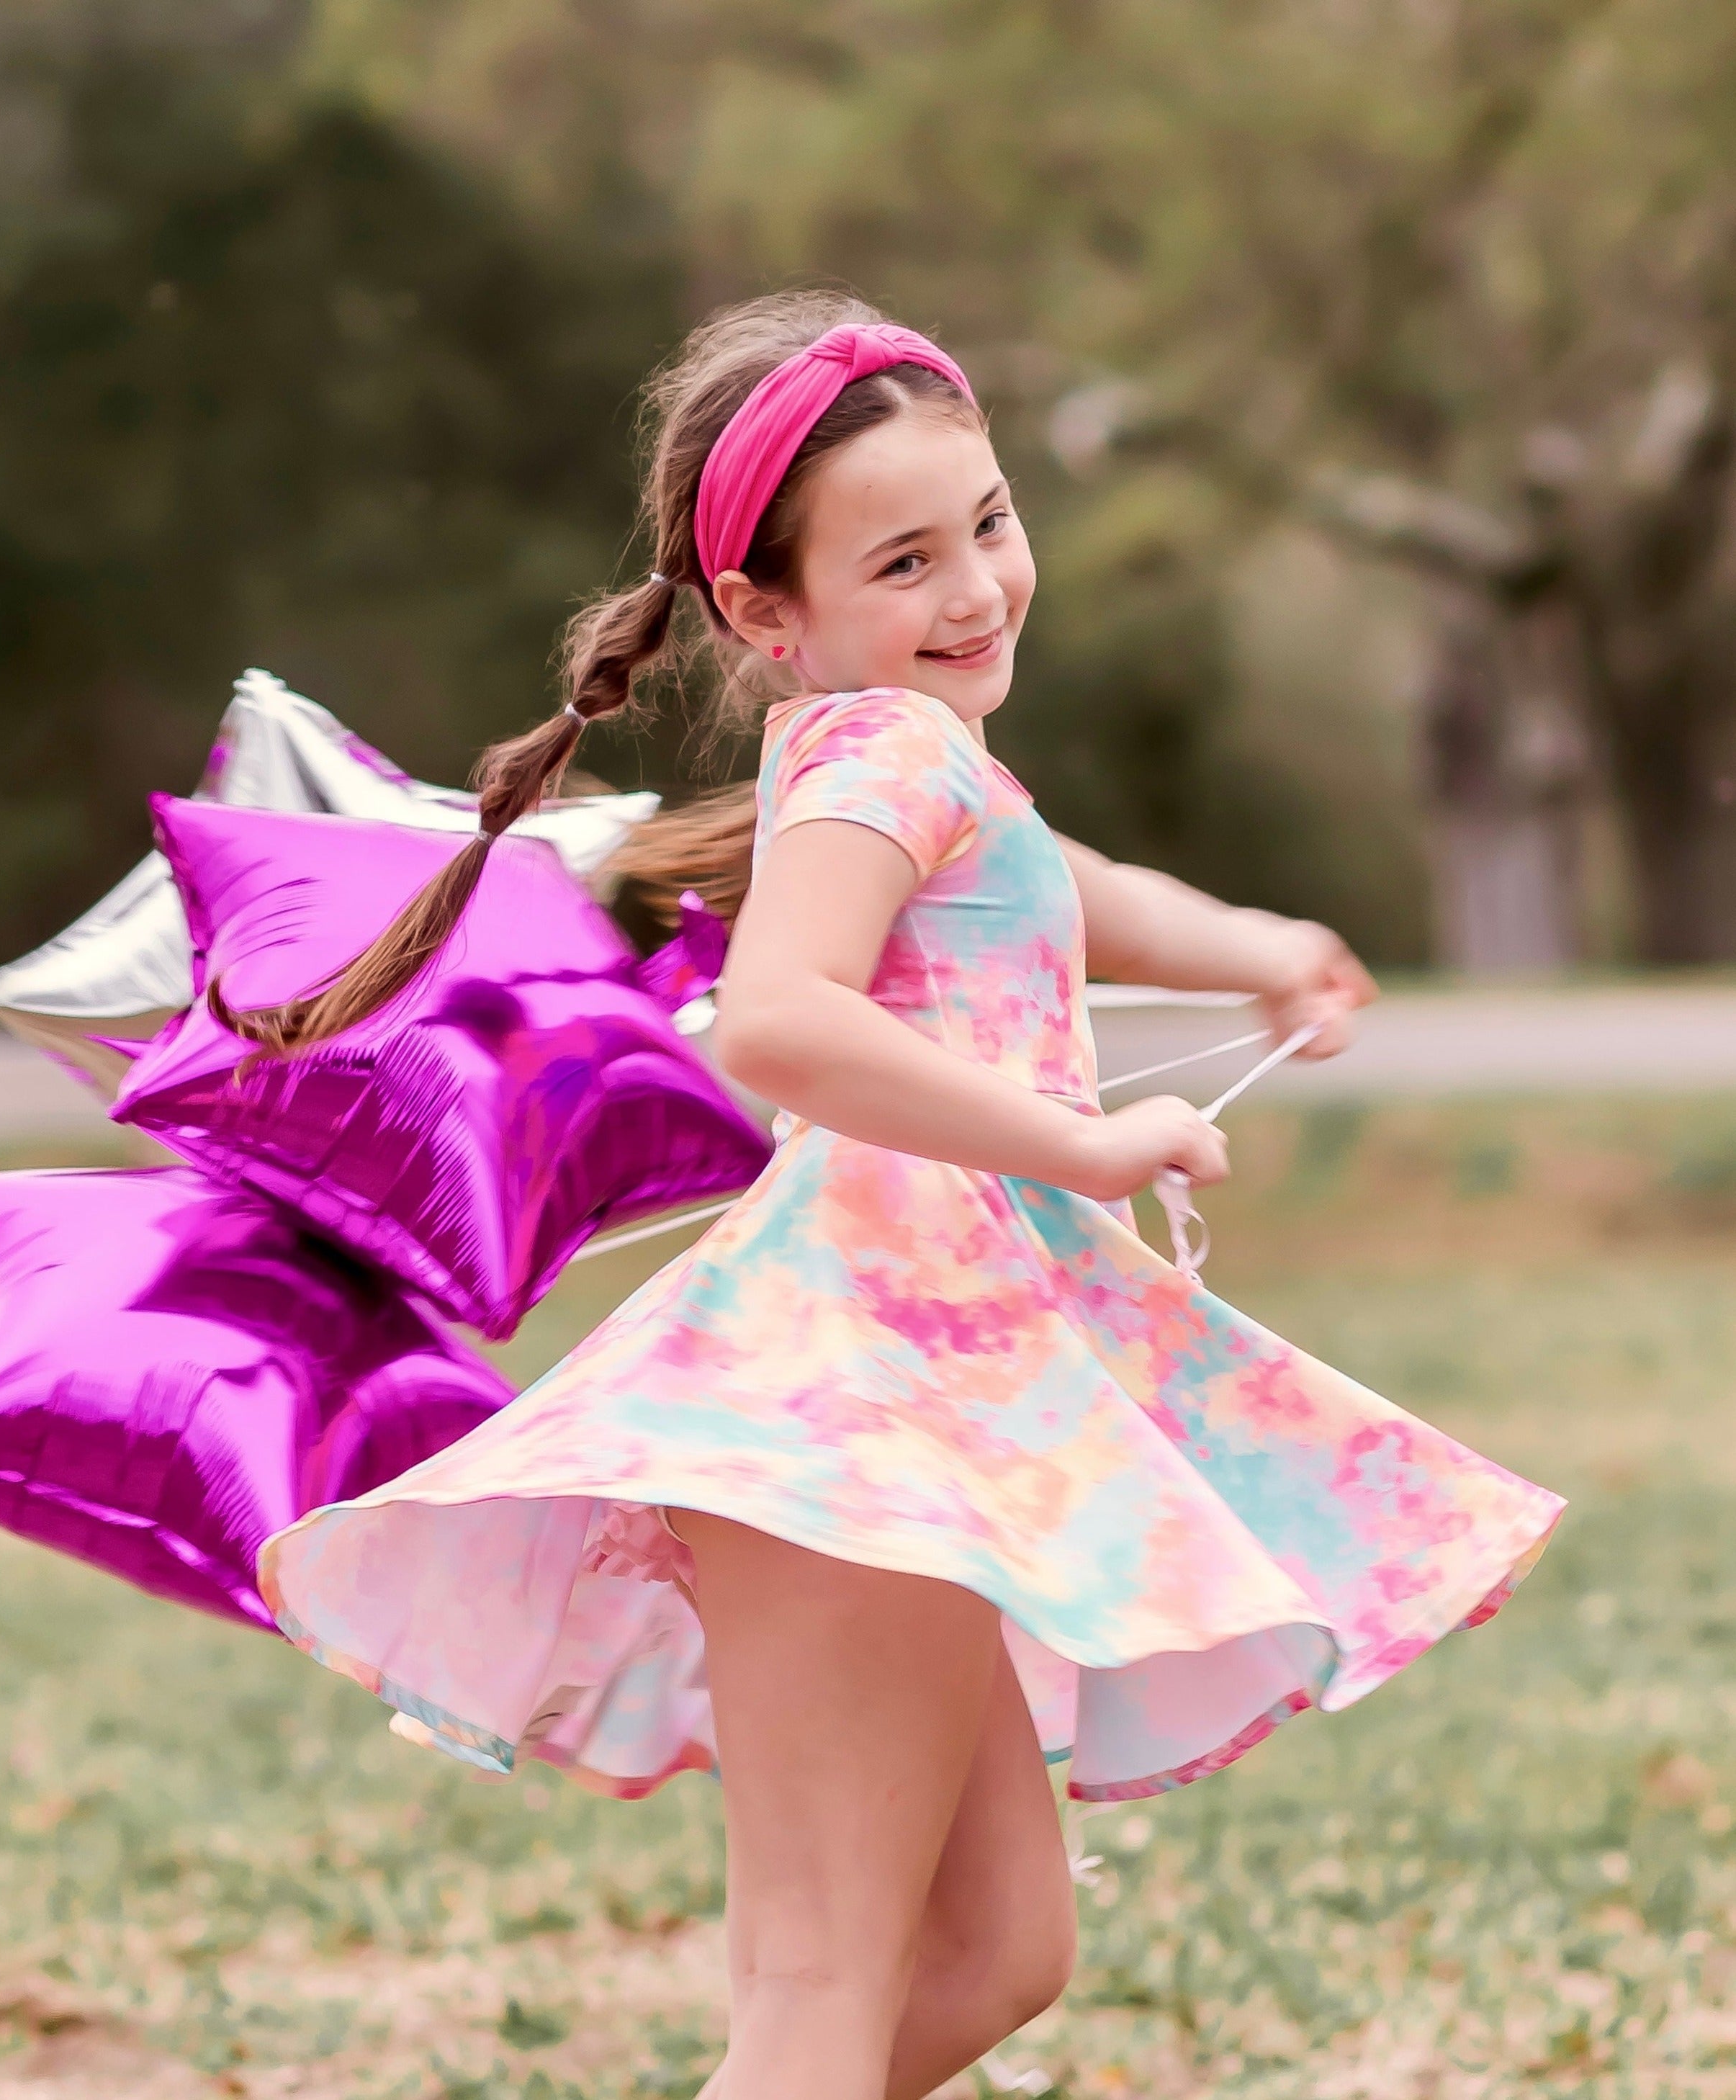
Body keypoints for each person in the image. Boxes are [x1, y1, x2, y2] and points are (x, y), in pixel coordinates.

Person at [248, 290, 1565, 2100]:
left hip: (941, 1397)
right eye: (906, 561)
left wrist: (1255, 948)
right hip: (852, 1405)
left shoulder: (926, 762)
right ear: (765, 614)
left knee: (994, 1956)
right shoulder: (880, 748)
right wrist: (1088, 1146)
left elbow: (1063, 881)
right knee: (822, 1988)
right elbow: (778, 1021)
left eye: (992, 526)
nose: (977, 591)